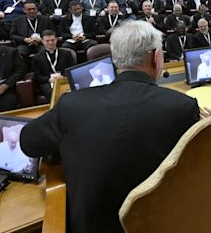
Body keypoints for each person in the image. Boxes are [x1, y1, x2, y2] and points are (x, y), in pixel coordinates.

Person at [20, 21, 200, 233]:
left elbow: (29, 143)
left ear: (115, 59)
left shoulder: (72, 103)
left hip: (89, 225)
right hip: (155, 223)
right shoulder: (183, 106)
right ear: (156, 57)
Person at [32, 30, 76, 101]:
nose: (50, 43)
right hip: (47, 82)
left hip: (64, 80)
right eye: (47, 41)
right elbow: (38, 76)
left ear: (56, 40)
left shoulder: (67, 54)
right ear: (42, 41)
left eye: (53, 40)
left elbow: (72, 69)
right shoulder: (37, 58)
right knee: (51, 92)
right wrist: (49, 79)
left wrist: (62, 77)